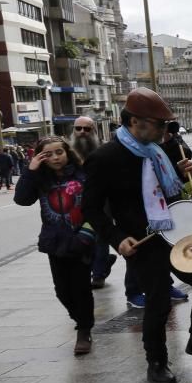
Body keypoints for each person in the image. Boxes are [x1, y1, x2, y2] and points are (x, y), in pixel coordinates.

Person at [83, 88, 192, 383]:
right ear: (136, 122)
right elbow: (90, 207)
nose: (165, 131)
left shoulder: (158, 152)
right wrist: (117, 237)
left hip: (174, 233)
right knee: (159, 299)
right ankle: (156, 362)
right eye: (159, 125)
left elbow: (169, 193)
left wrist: (180, 174)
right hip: (141, 239)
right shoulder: (105, 157)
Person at [14, 136, 97, 355]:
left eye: (59, 152)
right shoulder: (40, 179)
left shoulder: (83, 174)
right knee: (62, 291)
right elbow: (22, 199)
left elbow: (98, 205)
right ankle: (80, 317)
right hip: (55, 242)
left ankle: (84, 330)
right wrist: (31, 170)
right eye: (48, 154)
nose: (55, 157)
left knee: (81, 287)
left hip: (81, 239)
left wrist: (87, 235)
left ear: (67, 152)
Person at [70, 116, 118, 290]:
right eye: (79, 128)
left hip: (101, 205)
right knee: (81, 241)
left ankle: (98, 275)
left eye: (87, 129)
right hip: (75, 206)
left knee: (100, 239)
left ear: (94, 132)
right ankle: (104, 263)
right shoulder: (65, 152)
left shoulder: (104, 151)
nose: (82, 132)